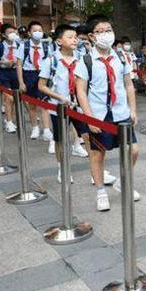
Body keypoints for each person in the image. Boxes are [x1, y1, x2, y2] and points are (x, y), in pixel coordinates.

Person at [75, 15, 140, 211]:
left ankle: (122, 182)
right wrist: (89, 117)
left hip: (121, 113)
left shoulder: (121, 57)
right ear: (92, 37)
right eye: (101, 31)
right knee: (97, 155)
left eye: (109, 30)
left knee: (133, 151)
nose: (106, 34)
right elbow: (81, 91)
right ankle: (101, 192)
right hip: (99, 114)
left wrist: (133, 109)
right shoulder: (85, 60)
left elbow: (128, 84)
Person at [38, 24, 91, 182]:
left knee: (88, 136)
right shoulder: (51, 61)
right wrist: (59, 97)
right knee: (61, 140)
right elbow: (41, 86)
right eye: (70, 37)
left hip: (78, 105)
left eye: (75, 37)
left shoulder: (82, 58)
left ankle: (95, 169)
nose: (74, 40)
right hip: (59, 107)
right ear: (59, 41)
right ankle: (63, 168)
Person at [15, 21, 53, 142]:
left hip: (43, 75)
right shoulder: (24, 46)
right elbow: (19, 64)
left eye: (40, 30)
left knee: (44, 103)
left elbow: (51, 62)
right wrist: (21, 82)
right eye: (35, 30)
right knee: (31, 104)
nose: (38, 33)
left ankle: (47, 130)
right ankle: (35, 128)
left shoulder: (47, 46)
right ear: (30, 33)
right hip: (29, 74)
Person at [0, 24, 20, 133]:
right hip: (3, 72)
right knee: (9, 98)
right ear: (4, 34)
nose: (12, 34)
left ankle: (10, 119)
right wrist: (3, 62)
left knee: (14, 98)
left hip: (15, 72)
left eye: (14, 32)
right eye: (9, 32)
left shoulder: (19, 45)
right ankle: (9, 122)